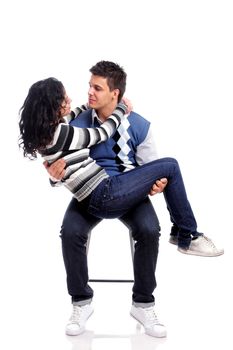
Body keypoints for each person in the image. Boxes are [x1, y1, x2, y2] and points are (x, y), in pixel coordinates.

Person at [29, 62, 224, 338]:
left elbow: (151, 167)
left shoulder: (141, 125)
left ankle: (143, 303)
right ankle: (81, 301)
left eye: (97, 88)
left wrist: (158, 184)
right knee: (70, 231)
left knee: (148, 229)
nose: (89, 93)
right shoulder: (75, 124)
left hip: (128, 187)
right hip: (95, 191)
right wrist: (53, 175)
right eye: (89, 86)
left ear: (115, 93)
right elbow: (63, 166)